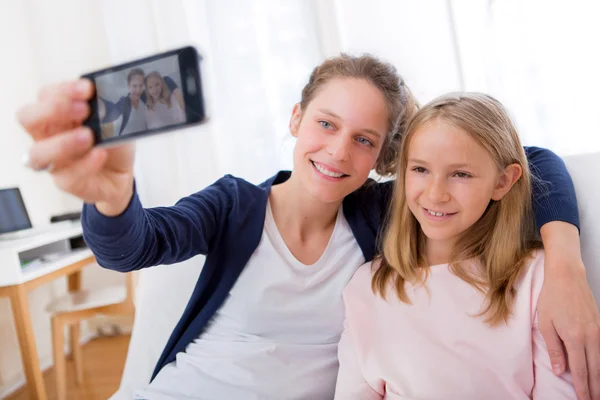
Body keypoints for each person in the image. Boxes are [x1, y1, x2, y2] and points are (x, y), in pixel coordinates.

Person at [16, 54, 599, 399]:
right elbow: (135, 246)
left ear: (381, 157)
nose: (339, 151)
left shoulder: (383, 212)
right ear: (297, 119)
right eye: (326, 123)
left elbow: (533, 160)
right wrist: (114, 200)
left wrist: (565, 266)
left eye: (364, 140)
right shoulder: (233, 206)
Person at [334, 92, 578, 399]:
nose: (436, 194)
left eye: (460, 174)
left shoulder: (538, 279)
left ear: (502, 182)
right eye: (420, 169)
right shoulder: (367, 287)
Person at [99, 68, 180, 136]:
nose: (154, 90)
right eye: (150, 87)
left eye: (157, 85)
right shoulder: (149, 93)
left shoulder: (166, 82)